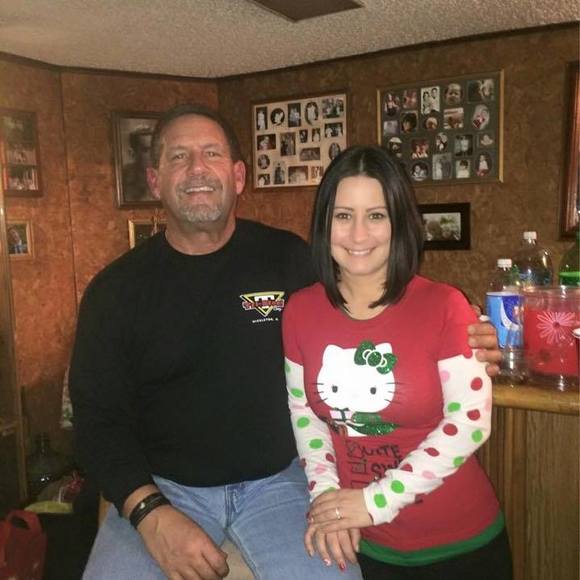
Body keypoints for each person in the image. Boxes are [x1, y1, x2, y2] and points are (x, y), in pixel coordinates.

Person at [70, 106, 501, 580]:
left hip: (281, 482)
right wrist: (149, 513)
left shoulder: (289, 259)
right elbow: (96, 421)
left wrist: (470, 329)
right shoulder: (114, 292)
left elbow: (370, 298)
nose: (197, 168)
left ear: (238, 176)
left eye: (211, 153)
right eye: (178, 157)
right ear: (154, 180)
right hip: (167, 488)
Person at [282, 145, 511, 580]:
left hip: (460, 546)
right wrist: (329, 502)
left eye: (376, 215)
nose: (358, 235)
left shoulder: (447, 305)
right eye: (343, 215)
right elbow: (305, 413)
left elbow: (469, 422)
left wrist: (374, 502)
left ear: (399, 223)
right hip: (364, 547)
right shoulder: (299, 311)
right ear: (324, 222)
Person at [122, 128, 155, 202]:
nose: (153, 155)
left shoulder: (167, 176)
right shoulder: (124, 178)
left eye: (154, 150)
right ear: (133, 154)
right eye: (146, 150)